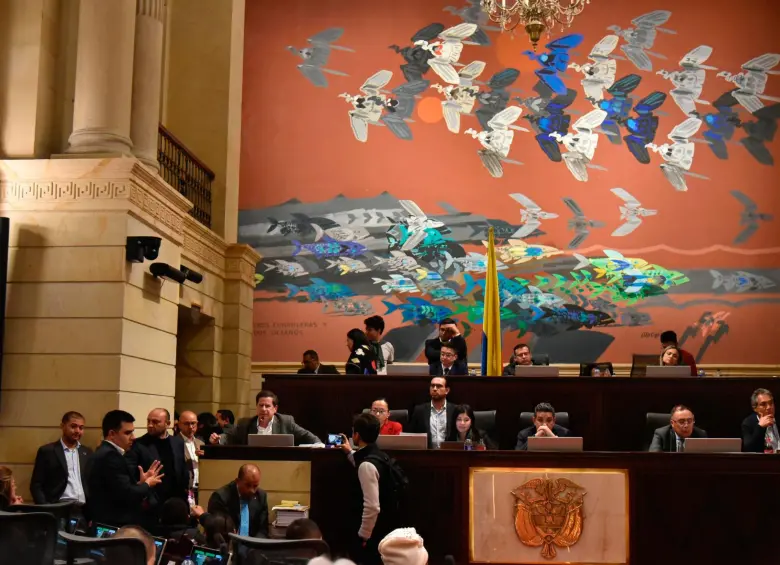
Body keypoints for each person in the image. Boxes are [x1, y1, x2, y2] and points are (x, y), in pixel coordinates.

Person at [337, 413, 402, 565]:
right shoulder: (380, 455)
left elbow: (372, 507)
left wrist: (363, 536)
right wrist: (349, 452)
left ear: (357, 435)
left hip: (373, 536)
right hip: (386, 528)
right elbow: (363, 462)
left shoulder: (367, 466)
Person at [87, 410, 164, 526]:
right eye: (127, 433)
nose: (133, 438)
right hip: (114, 523)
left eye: (132, 432)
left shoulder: (102, 452)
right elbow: (126, 494)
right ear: (112, 434)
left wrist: (140, 483)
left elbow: (118, 489)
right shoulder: (111, 456)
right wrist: (147, 484)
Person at [127, 408, 189, 524]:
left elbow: (182, 469)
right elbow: (130, 473)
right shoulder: (139, 444)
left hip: (176, 502)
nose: (150, 425)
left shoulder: (177, 442)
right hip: (151, 504)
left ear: (168, 424)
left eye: (155, 422)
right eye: (148, 421)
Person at [211, 390, 321, 446]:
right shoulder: (246, 423)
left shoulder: (286, 422)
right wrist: (218, 439)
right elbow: (229, 436)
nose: (263, 409)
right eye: (261, 405)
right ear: (256, 406)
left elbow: (308, 436)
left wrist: (319, 445)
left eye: (267, 406)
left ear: (275, 408)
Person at [30, 411, 92, 509]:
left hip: (82, 511)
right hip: (57, 508)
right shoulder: (48, 451)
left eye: (81, 428)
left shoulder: (87, 452)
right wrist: (45, 508)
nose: (77, 431)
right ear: (62, 426)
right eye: (73, 426)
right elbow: (36, 485)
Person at [207, 464, 269, 538]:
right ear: (237, 481)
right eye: (248, 485)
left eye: (255, 486)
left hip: (253, 545)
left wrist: (255, 545)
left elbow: (263, 530)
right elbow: (217, 530)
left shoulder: (261, 497)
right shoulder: (221, 497)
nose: (252, 491)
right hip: (229, 544)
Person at [409, 377, 457, 448]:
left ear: (447, 390)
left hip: (449, 454)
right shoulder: (419, 410)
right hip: (426, 454)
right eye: (432, 386)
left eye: (439, 386)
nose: (434, 389)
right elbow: (411, 435)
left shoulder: (455, 410)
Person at [179, 410, 205, 504]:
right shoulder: (175, 442)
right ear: (179, 425)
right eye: (186, 424)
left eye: (193, 423)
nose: (190, 427)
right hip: (184, 489)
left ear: (197, 424)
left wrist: (204, 458)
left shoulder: (201, 443)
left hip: (200, 488)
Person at [742, 388, 778, 453]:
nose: (769, 407)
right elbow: (749, 449)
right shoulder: (748, 423)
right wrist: (760, 427)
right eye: (763, 404)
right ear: (755, 408)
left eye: (771, 403)